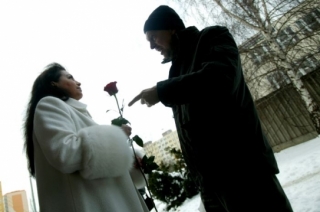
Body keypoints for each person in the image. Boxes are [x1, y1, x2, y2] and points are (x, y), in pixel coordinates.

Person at [128, 5, 293, 212]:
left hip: (242, 172)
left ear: (171, 28)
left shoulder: (213, 37)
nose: (152, 46)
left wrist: (161, 92)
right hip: (210, 183)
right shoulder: (177, 68)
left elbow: (220, 78)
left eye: (153, 37)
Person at [23, 63, 149, 212]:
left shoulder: (77, 112)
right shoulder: (49, 104)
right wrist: (117, 136)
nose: (78, 82)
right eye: (70, 77)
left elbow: (96, 164)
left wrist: (130, 163)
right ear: (54, 84)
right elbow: (67, 154)